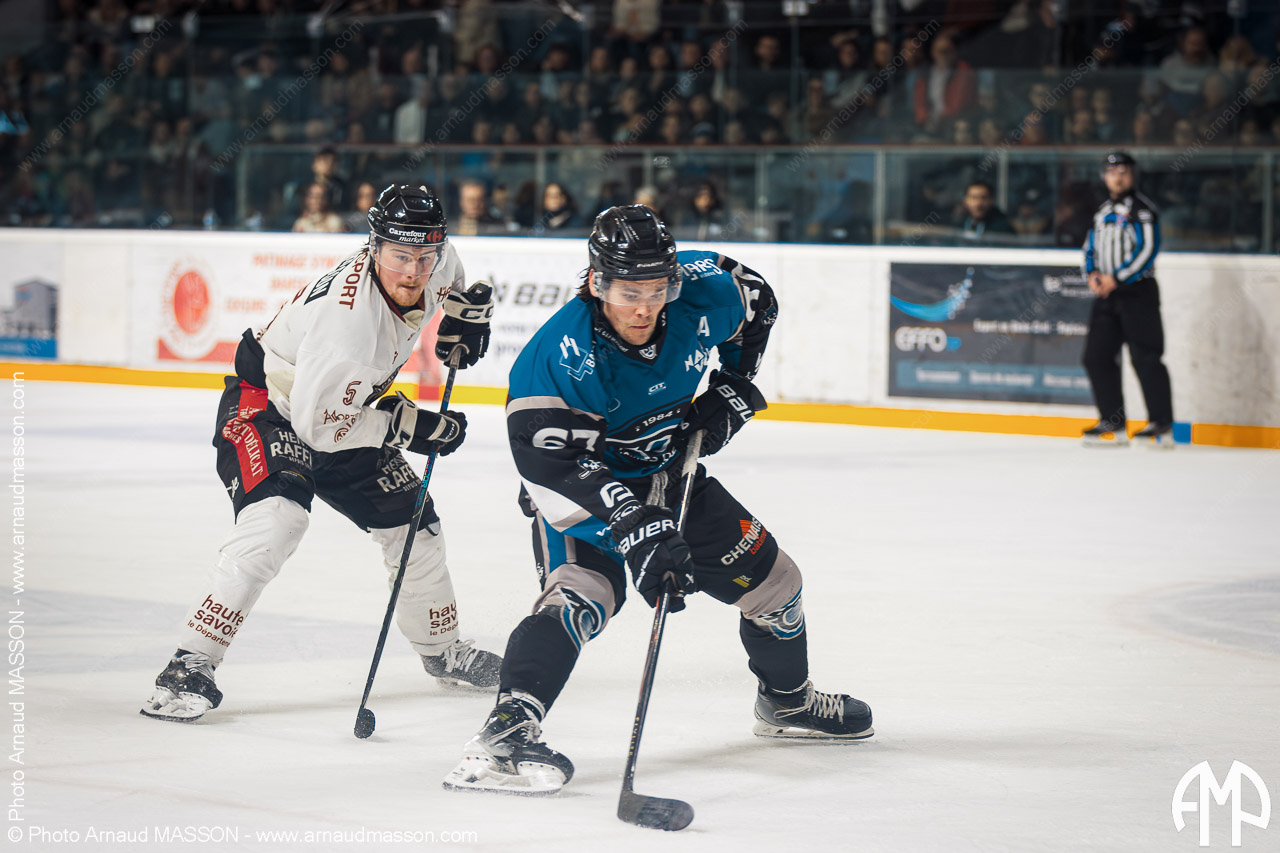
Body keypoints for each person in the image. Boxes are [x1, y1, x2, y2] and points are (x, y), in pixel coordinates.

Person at [442, 205, 874, 795]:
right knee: (584, 593)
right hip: (581, 485)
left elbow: (757, 300)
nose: (645, 307)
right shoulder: (559, 357)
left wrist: (732, 383)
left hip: (666, 470)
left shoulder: (705, 291)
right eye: (629, 292)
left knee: (778, 585)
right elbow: (549, 466)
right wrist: (635, 523)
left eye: (657, 289)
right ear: (597, 283)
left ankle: (787, 703)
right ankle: (506, 733)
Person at [141, 185, 503, 722]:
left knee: (415, 525)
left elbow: (452, 274)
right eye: (399, 256)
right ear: (374, 248)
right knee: (277, 519)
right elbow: (321, 430)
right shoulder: (348, 324)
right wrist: (407, 426)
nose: (412, 271)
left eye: (423, 256)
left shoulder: (437, 259)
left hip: (340, 408)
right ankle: (189, 664)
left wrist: (463, 316)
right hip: (270, 408)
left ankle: (442, 651)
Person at [1081, 152, 1174, 448]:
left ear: (1133, 175)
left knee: (1146, 357)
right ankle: (1113, 422)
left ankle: (1161, 424)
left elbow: (1148, 249)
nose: (1117, 177)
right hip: (1107, 295)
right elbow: (1090, 246)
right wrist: (1092, 273)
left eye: (1123, 171)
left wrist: (1118, 277)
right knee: (1096, 356)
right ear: (1104, 177)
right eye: (1112, 172)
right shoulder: (1102, 211)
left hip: (1137, 294)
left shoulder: (1143, 210)